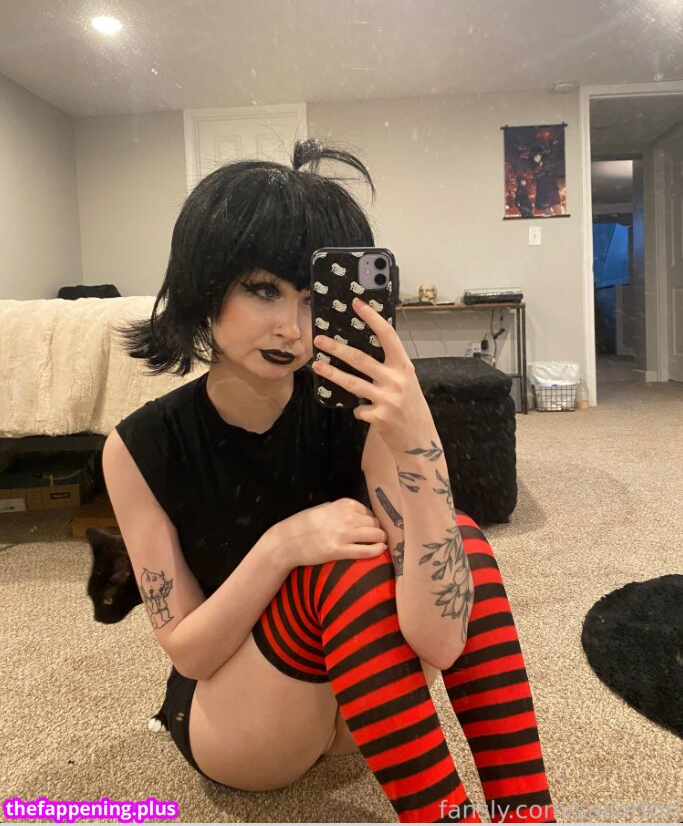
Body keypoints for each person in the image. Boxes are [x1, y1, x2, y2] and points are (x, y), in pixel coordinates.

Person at [105, 139, 555, 823]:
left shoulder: (355, 416)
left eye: (315, 299)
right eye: (263, 290)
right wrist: (283, 546)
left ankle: (528, 813)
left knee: (457, 538)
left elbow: (440, 643)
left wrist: (420, 445)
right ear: (206, 286)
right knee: (340, 565)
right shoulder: (141, 446)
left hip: (357, 700)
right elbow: (190, 652)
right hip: (236, 717)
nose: (292, 327)